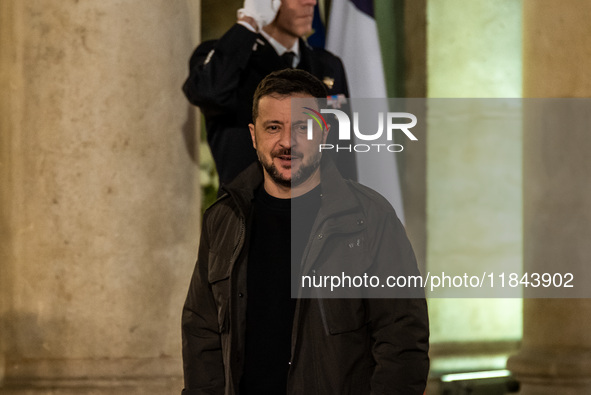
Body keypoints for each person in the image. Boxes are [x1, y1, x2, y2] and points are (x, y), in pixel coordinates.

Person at [181, 69, 429, 394]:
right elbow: (202, 333)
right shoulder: (222, 218)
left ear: (324, 133)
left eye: (303, 127)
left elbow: (402, 341)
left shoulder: (370, 216)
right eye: (274, 128)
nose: (287, 142)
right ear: (254, 136)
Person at [183, 0, 355, 189]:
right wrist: (249, 22)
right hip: (250, 212)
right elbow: (208, 92)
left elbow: (342, 151)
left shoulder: (327, 65)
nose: (311, 2)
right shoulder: (227, 59)